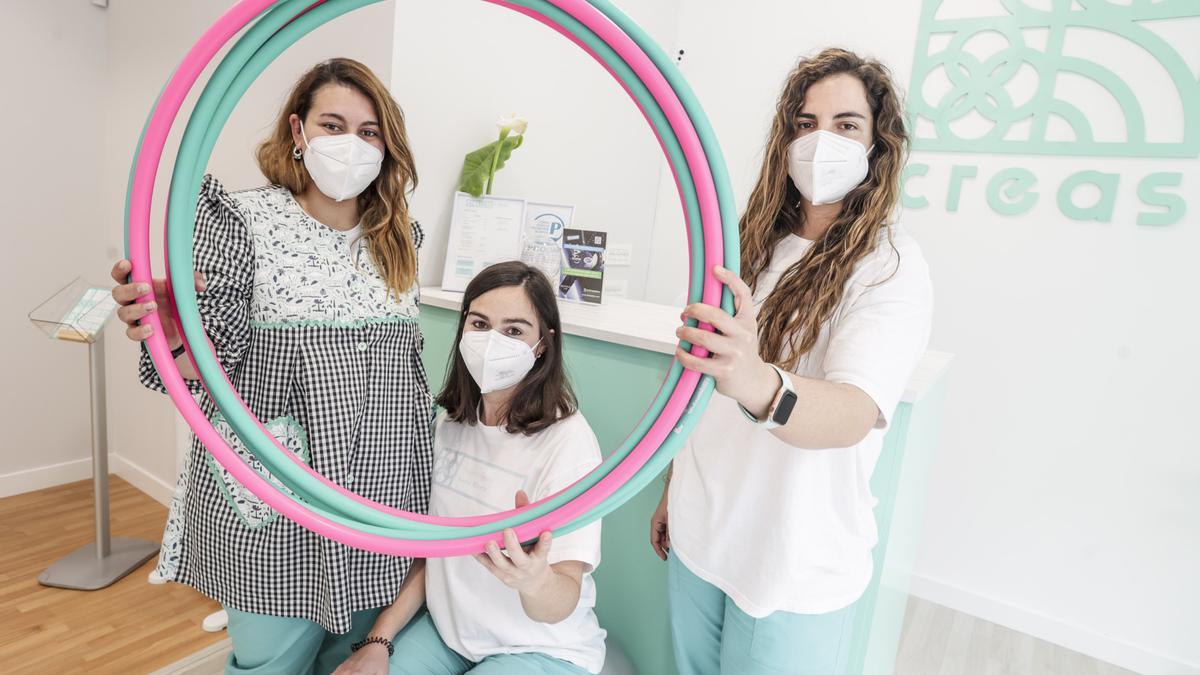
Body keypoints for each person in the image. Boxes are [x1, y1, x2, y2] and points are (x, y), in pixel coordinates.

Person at [109, 58, 432, 674]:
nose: (351, 144)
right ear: (297, 130)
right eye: (332, 124)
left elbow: (404, 367)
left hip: (382, 485)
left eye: (368, 132)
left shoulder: (401, 238)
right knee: (270, 661)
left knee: (353, 657)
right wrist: (173, 332)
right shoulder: (242, 219)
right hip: (275, 488)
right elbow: (208, 363)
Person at [650, 47, 934, 675]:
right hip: (702, 534)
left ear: (877, 146)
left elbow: (854, 413)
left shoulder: (888, 265)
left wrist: (755, 379)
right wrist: (676, 488)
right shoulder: (748, 243)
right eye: (805, 124)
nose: (821, 141)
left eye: (846, 125)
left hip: (793, 563)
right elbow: (701, 386)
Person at [335, 261, 607, 675]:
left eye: (514, 330)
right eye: (480, 324)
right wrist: (379, 640)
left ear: (542, 345)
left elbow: (561, 599)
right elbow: (430, 554)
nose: (492, 341)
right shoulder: (450, 422)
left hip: (539, 646)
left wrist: (534, 581)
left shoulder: (568, 442)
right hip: (449, 637)